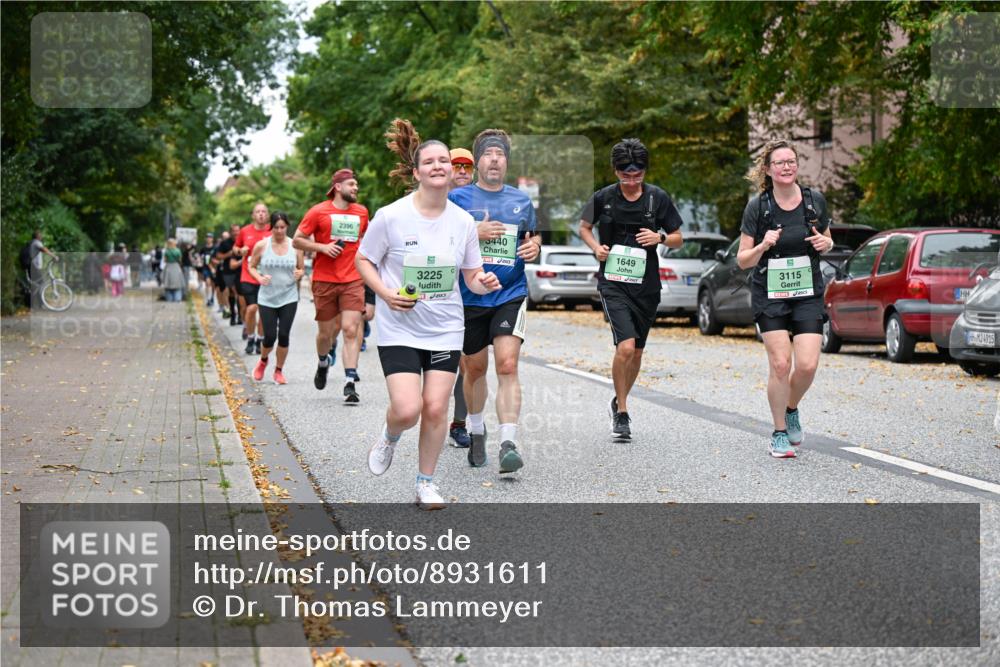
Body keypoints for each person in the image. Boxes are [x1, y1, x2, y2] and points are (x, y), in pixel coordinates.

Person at [357, 119, 501, 509]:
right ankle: (390, 435)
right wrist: (385, 294)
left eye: (445, 161)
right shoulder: (391, 216)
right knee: (408, 409)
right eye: (431, 161)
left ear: (453, 172)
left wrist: (482, 280)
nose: (439, 166)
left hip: (445, 328)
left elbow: (469, 276)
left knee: (436, 407)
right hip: (400, 327)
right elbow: (364, 259)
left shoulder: (463, 222)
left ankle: (425, 483)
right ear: (417, 171)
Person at [449, 129, 540, 473]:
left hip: (509, 293)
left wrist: (535, 248)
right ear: (477, 162)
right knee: (474, 369)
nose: (494, 159)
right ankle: (475, 429)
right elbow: (442, 243)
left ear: (506, 161)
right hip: (469, 297)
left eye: (500, 154)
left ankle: (508, 442)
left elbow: (532, 240)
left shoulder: (521, 200)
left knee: (507, 365)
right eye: (488, 154)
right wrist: (475, 231)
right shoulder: (458, 199)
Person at [580, 139, 684, 440]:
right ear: (615, 172)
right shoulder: (603, 197)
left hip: (647, 285)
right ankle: (622, 411)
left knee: (637, 351)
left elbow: (679, 237)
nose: (631, 181)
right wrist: (595, 247)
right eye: (625, 176)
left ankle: (619, 397)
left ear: (644, 172)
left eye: (637, 176)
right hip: (613, 283)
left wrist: (660, 238)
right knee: (624, 346)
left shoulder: (657, 199)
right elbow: (584, 226)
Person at [736, 140, 834, 459]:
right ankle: (779, 433)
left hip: (807, 292)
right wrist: (763, 245)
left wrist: (825, 244)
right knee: (781, 363)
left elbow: (828, 240)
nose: (787, 166)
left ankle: (791, 408)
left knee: (806, 365)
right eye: (780, 162)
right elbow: (743, 260)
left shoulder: (813, 201)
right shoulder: (758, 207)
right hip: (770, 294)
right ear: (768, 169)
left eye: (791, 161)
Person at [293, 168, 369, 404]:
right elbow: (297, 239)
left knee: (350, 329)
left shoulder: (362, 212)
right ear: (338, 187)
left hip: (353, 279)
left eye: (356, 185)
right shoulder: (318, 211)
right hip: (325, 280)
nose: (356, 188)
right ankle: (323, 361)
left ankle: (349, 382)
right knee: (325, 334)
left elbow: (365, 241)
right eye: (352, 184)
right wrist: (322, 248)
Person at [249, 212, 305, 385]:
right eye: (276, 227)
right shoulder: (261, 245)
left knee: (284, 334)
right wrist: (259, 278)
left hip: (289, 296)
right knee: (270, 336)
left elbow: (301, 268)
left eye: (283, 227)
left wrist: (299, 274)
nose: (280, 231)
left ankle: (278, 370)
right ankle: (263, 360)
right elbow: (251, 265)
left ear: (287, 226)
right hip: (267, 297)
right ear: (271, 227)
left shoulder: (295, 246)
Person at [446, 147, 475, 448]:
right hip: (437, 298)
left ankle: (459, 424)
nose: (463, 171)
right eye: (458, 166)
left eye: (468, 166)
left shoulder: (485, 203)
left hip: (472, 296)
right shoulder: (433, 202)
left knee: (468, 365)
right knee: (439, 366)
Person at [236, 204, 272, 355]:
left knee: (263, 311)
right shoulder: (245, 231)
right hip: (248, 275)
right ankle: (250, 337)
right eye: (258, 212)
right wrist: (240, 250)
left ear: (268, 215)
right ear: (253, 215)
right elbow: (235, 248)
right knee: (251, 308)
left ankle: (260, 340)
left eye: (264, 211)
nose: (261, 214)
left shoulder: (272, 231)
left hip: (266, 277)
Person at [197, 233, 216, 305]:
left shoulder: (215, 248)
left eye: (210, 237)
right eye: (207, 237)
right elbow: (199, 257)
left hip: (214, 268)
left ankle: (212, 297)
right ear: (205, 239)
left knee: (213, 284)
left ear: (212, 239)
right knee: (208, 282)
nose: (209, 239)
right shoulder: (203, 248)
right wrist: (199, 261)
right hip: (205, 268)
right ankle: (208, 299)